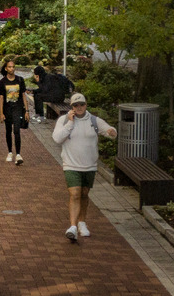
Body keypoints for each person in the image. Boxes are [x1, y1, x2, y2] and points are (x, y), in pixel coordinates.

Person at [51, 92, 117, 243]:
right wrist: (69, 123)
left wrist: (111, 132)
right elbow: (57, 138)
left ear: (86, 105)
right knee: (75, 193)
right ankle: (73, 227)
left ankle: (82, 222)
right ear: (72, 107)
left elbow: (108, 130)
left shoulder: (93, 120)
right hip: (71, 164)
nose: (79, 107)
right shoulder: (64, 120)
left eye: (81, 104)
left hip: (89, 166)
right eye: (76, 105)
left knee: (84, 194)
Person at [0, 59, 29, 165]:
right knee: (8, 131)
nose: (12, 69)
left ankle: (18, 154)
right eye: (9, 67)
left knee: (17, 131)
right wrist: (1, 113)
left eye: (13, 67)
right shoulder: (2, 82)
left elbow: (23, 95)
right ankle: (10, 152)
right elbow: (1, 98)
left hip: (18, 109)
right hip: (7, 109)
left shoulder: (20, 80)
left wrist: (27, 111)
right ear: (6, 68)